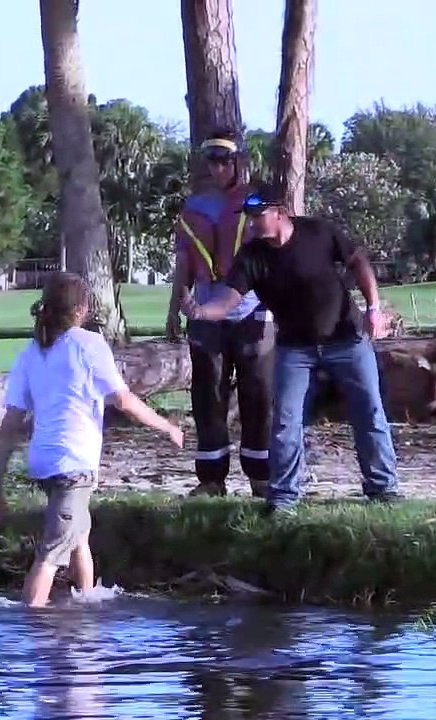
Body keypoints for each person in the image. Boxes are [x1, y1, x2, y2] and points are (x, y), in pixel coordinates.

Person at [181, 186, 403, 515]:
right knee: (286, 422)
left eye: (259, 217)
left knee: (369, 412)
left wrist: (373, 308)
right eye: (250, 218)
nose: (253, 224)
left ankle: (382, 488)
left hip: (347, 339)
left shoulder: (318, 232)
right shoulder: (253, 255)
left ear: (280, 212)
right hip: (296, 349)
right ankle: (284, 496)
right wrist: (200, 311)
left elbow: (358, 262)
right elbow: (229, 298)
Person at [0, 272, 184, 607]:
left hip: (46, 462)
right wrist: (166, 427)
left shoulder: (32, 352)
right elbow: (123, 400)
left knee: (79, 537)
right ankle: (30, 626)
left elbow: (11, 421)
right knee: (50, 553)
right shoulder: (89, 345)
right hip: (74, 463)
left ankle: (86, 605)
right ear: (81, 309)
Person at [165, 128, 275, 498]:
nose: (218, 167)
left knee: (257, 394)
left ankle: (261, 475)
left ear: (238, 162)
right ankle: (211, 478)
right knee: (208, 395)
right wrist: (173, 309)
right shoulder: (193, 207)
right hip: (205, 313)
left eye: (225, 160)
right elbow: (183, 262)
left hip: (252, 312)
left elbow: (274, 251)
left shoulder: (257, 201)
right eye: (212, 160)